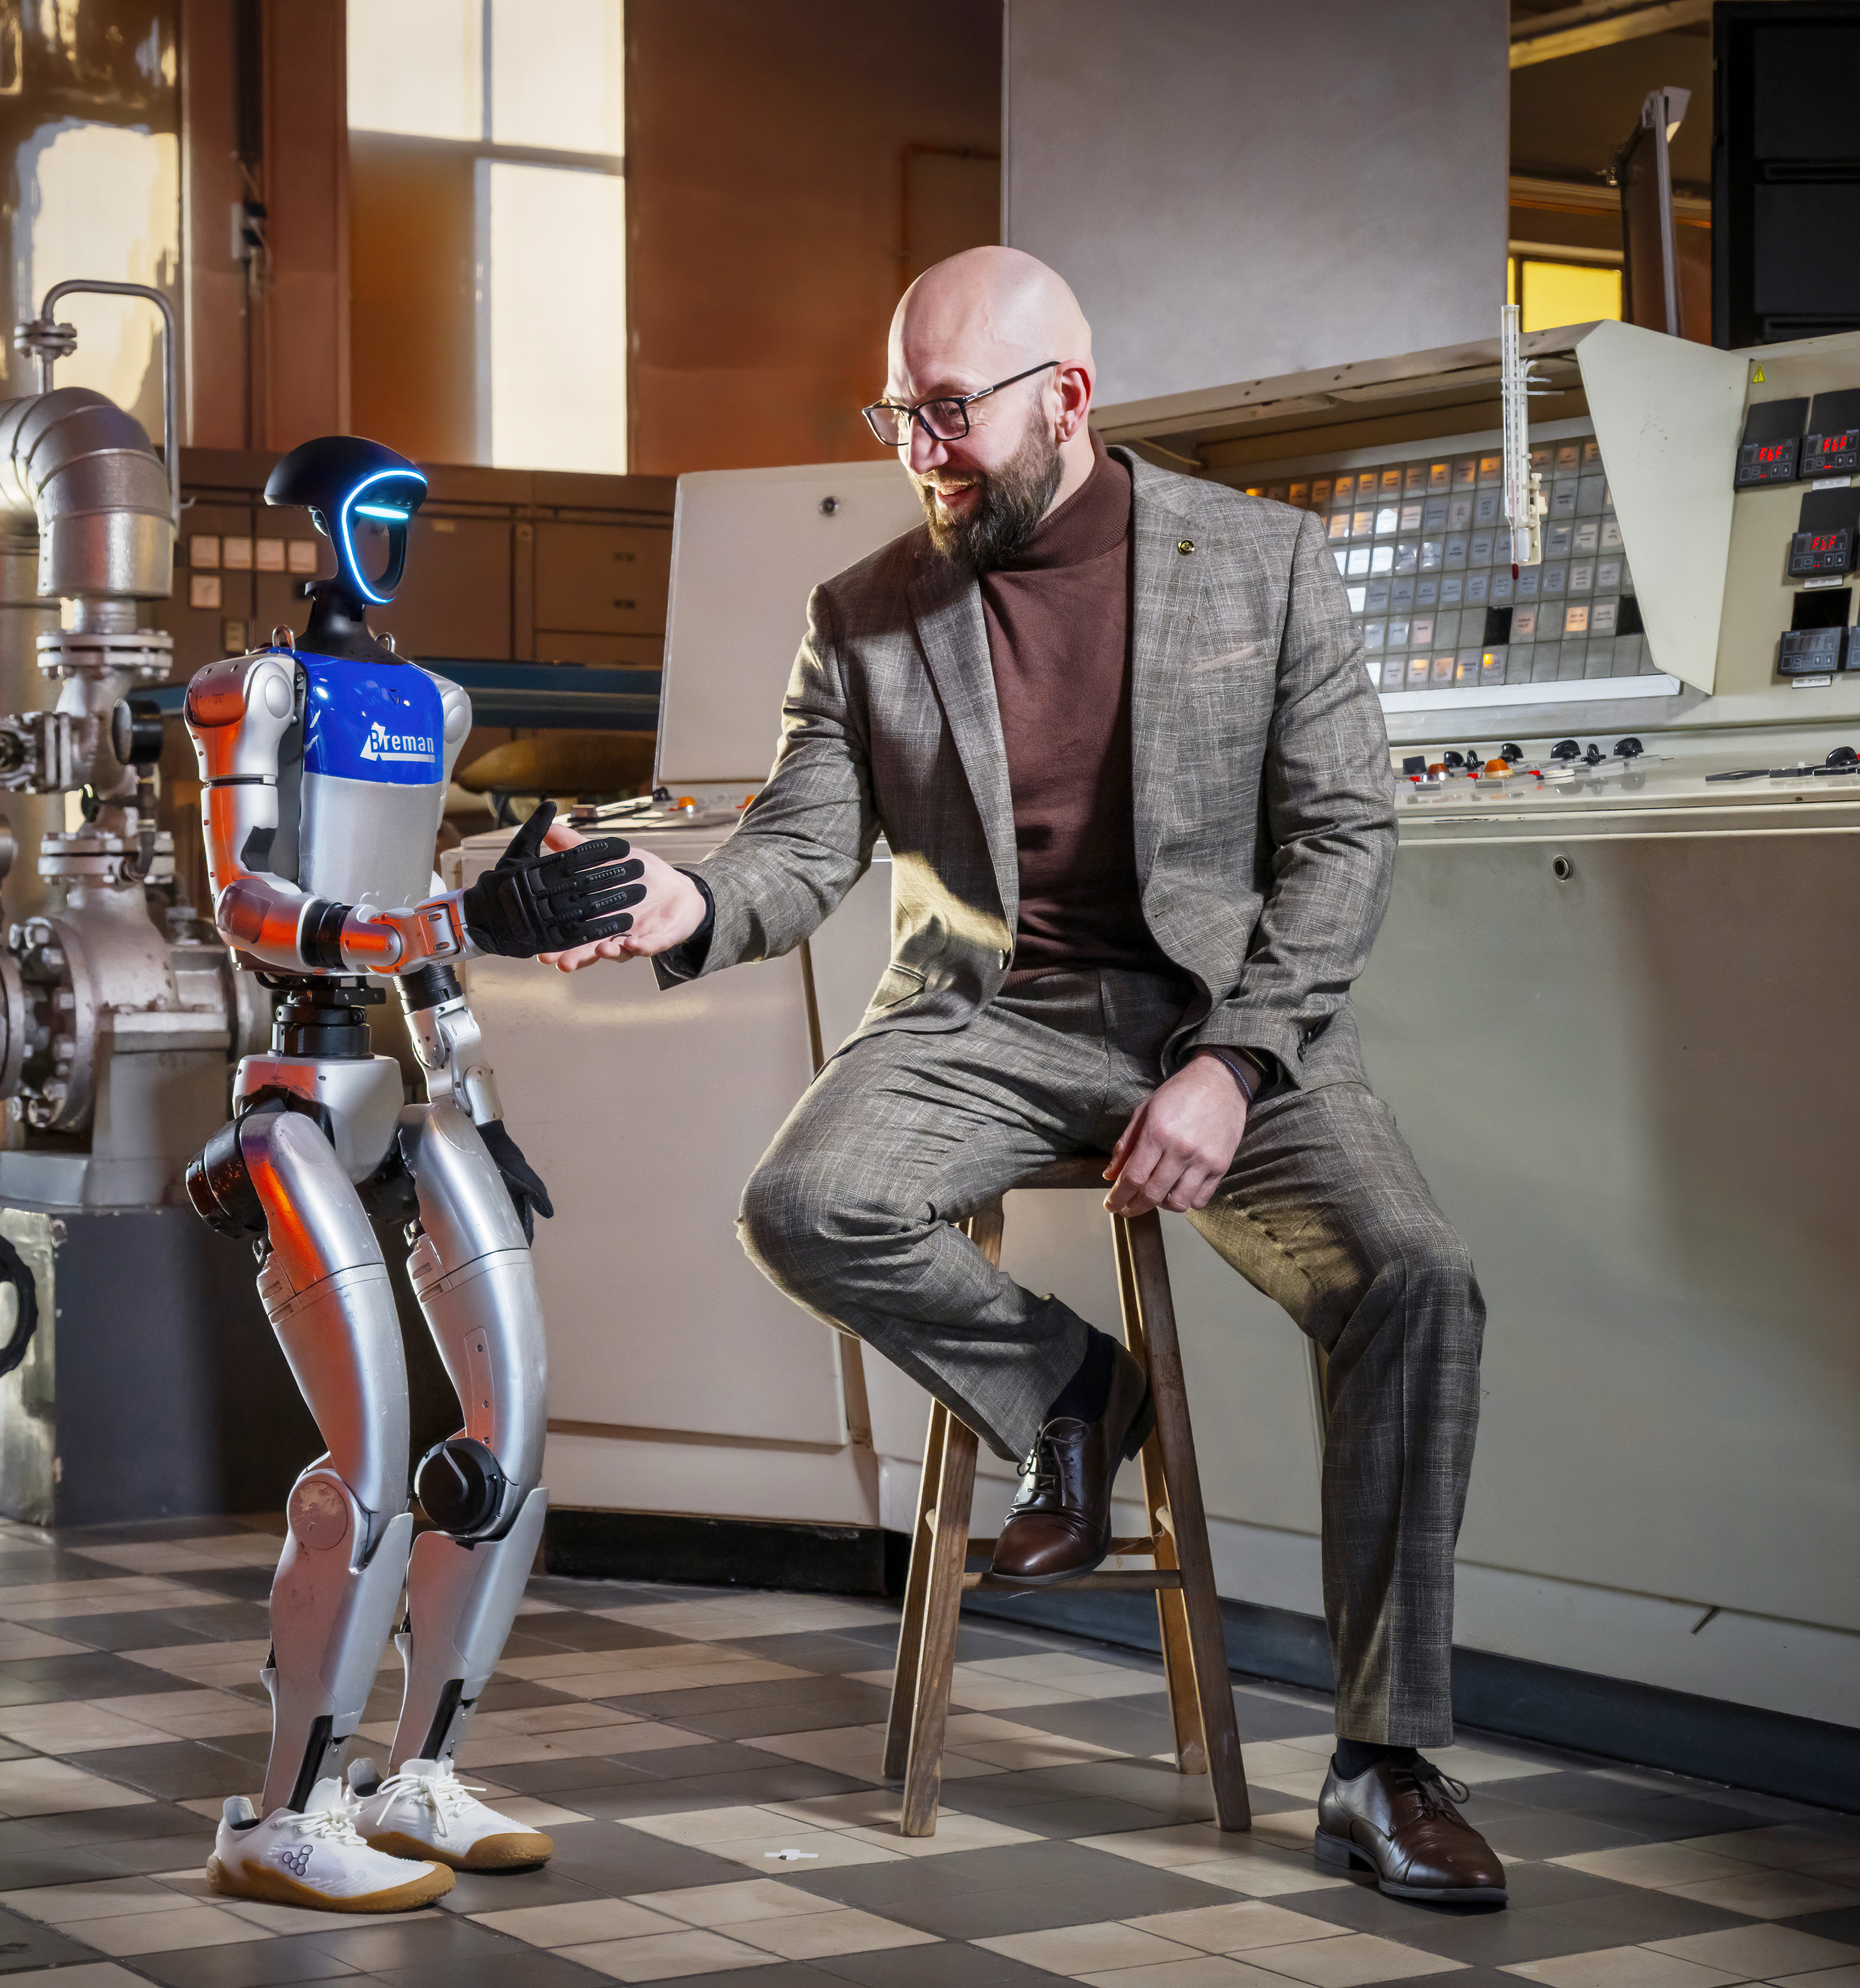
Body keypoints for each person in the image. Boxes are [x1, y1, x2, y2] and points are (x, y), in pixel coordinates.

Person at [540, 247, 1500, 1908]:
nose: (917, 450)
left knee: (1415, 1281)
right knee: (806, 1202)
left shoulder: (1263, 563)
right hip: (985, 1014)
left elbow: (1343, 840)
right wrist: (687, 899)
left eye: (945, 412)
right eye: (895, 413)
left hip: (1225, 1018)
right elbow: (798, 844)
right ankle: (1072, 1391)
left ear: (1067, 393)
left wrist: (1230, 1060)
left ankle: (1382, 1761)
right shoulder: (865, 612)